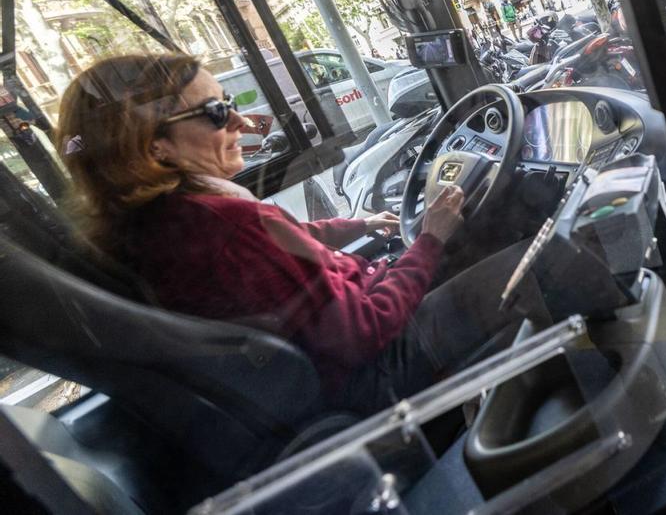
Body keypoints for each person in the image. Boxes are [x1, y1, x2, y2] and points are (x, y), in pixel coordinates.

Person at [55, 53, 539, 413]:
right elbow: (365, 328)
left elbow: (281, 247)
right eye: (217, 113)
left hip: (319, 378)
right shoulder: (228, 225)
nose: (243, 122)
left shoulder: (168, 225)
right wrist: (430, 238)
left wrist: (359, 224)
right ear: (156, 148)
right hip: (380, 375)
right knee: (548, 262)